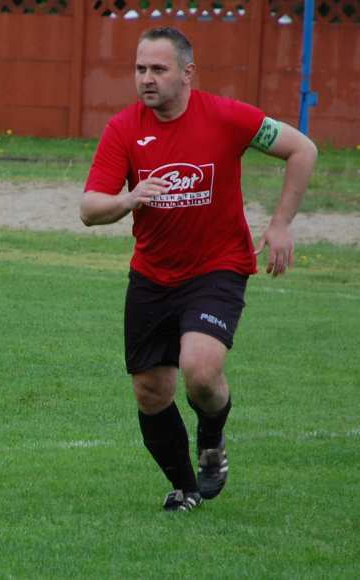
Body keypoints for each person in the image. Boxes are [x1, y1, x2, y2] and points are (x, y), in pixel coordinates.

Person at [80, 27, 317, 511]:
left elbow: (303, 149)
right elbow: (89, 208)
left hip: (217, 269)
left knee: (200, 370)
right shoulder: (124, 128)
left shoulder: (228, 117)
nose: (146, 78)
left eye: (158, 69)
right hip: (151, 274)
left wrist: (280, 224)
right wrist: (128, 199)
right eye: (140, 68)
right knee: (151, 391)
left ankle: (211, 437)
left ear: (187, 73)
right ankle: (186, 488)